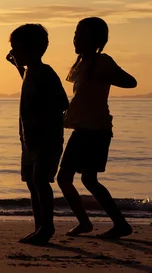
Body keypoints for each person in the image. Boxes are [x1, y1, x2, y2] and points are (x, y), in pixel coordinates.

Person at [57, 17, 137, 239]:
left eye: (81, 35)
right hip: (81, 129)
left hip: (97, 130)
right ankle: (86, 223)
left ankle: (120, 224)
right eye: (75, 34)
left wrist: (107, 75)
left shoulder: (102, 61)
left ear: (97, 40)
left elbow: (131, 82)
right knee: (65, 179)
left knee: (87, 180)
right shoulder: (80, 64)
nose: (76, 39)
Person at [7, 24, 69, 245]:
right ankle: (39, 226)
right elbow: (26, 78)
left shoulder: (45, 73)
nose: (13, 52)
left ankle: (47, 227)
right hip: (29, 140)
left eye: (17, 48)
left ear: (32, 49)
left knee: (40, 181)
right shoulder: (30, 72)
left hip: (46, 138)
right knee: (32, 182)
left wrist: (42, 116)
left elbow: (62, 102)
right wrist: (15, 63)